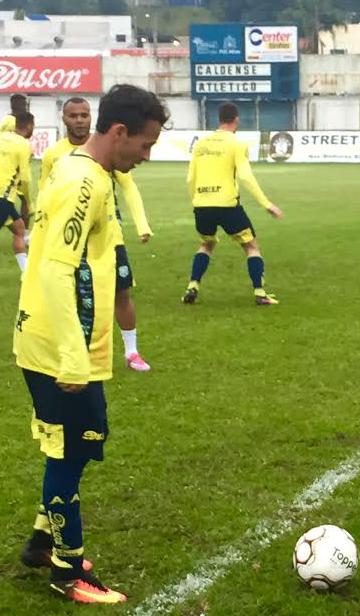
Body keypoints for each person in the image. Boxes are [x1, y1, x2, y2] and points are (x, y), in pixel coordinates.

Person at [14, 84, 168, 604]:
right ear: (119, 133)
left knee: (72, 449)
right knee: (70, 449)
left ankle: (41, 542)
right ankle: (67, 568)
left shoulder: (85, 171)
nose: (147, 156)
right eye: (145, 145)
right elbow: (58, 270)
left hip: (65, 342)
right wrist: (73, 357)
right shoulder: (85, 183)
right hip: (61, 349)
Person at [40, 97, 154, 372]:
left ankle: (131, 351)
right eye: (73, 115)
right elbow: (45, 194)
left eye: (84, 115)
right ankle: (74, 353)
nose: (79, 120)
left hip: (110, 239)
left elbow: (128, 187)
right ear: (64, 119)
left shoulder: (110, 151)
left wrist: (142, 224)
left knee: (121, 293)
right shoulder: (55, 155)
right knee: (72, 293)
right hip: (73, 241)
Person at [182, 101, 283, 306]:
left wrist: (197, 200)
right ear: (236, 119)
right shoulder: (237, 143)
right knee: (251, 246)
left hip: (202, 204)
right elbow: (245, 176)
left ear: (218, 119)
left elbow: (190, 178)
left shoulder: (201, 144)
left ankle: (193, 286)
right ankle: (260, 292)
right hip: (227, 204)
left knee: (206, 244)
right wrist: (266, 203)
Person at [0, 111, 34, 272]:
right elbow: (25, 179)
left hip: (4, 196)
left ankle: (26, 273)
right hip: (2, 197)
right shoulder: (23, 144)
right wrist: (28, 201)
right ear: (29, 126)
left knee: (19, 228)